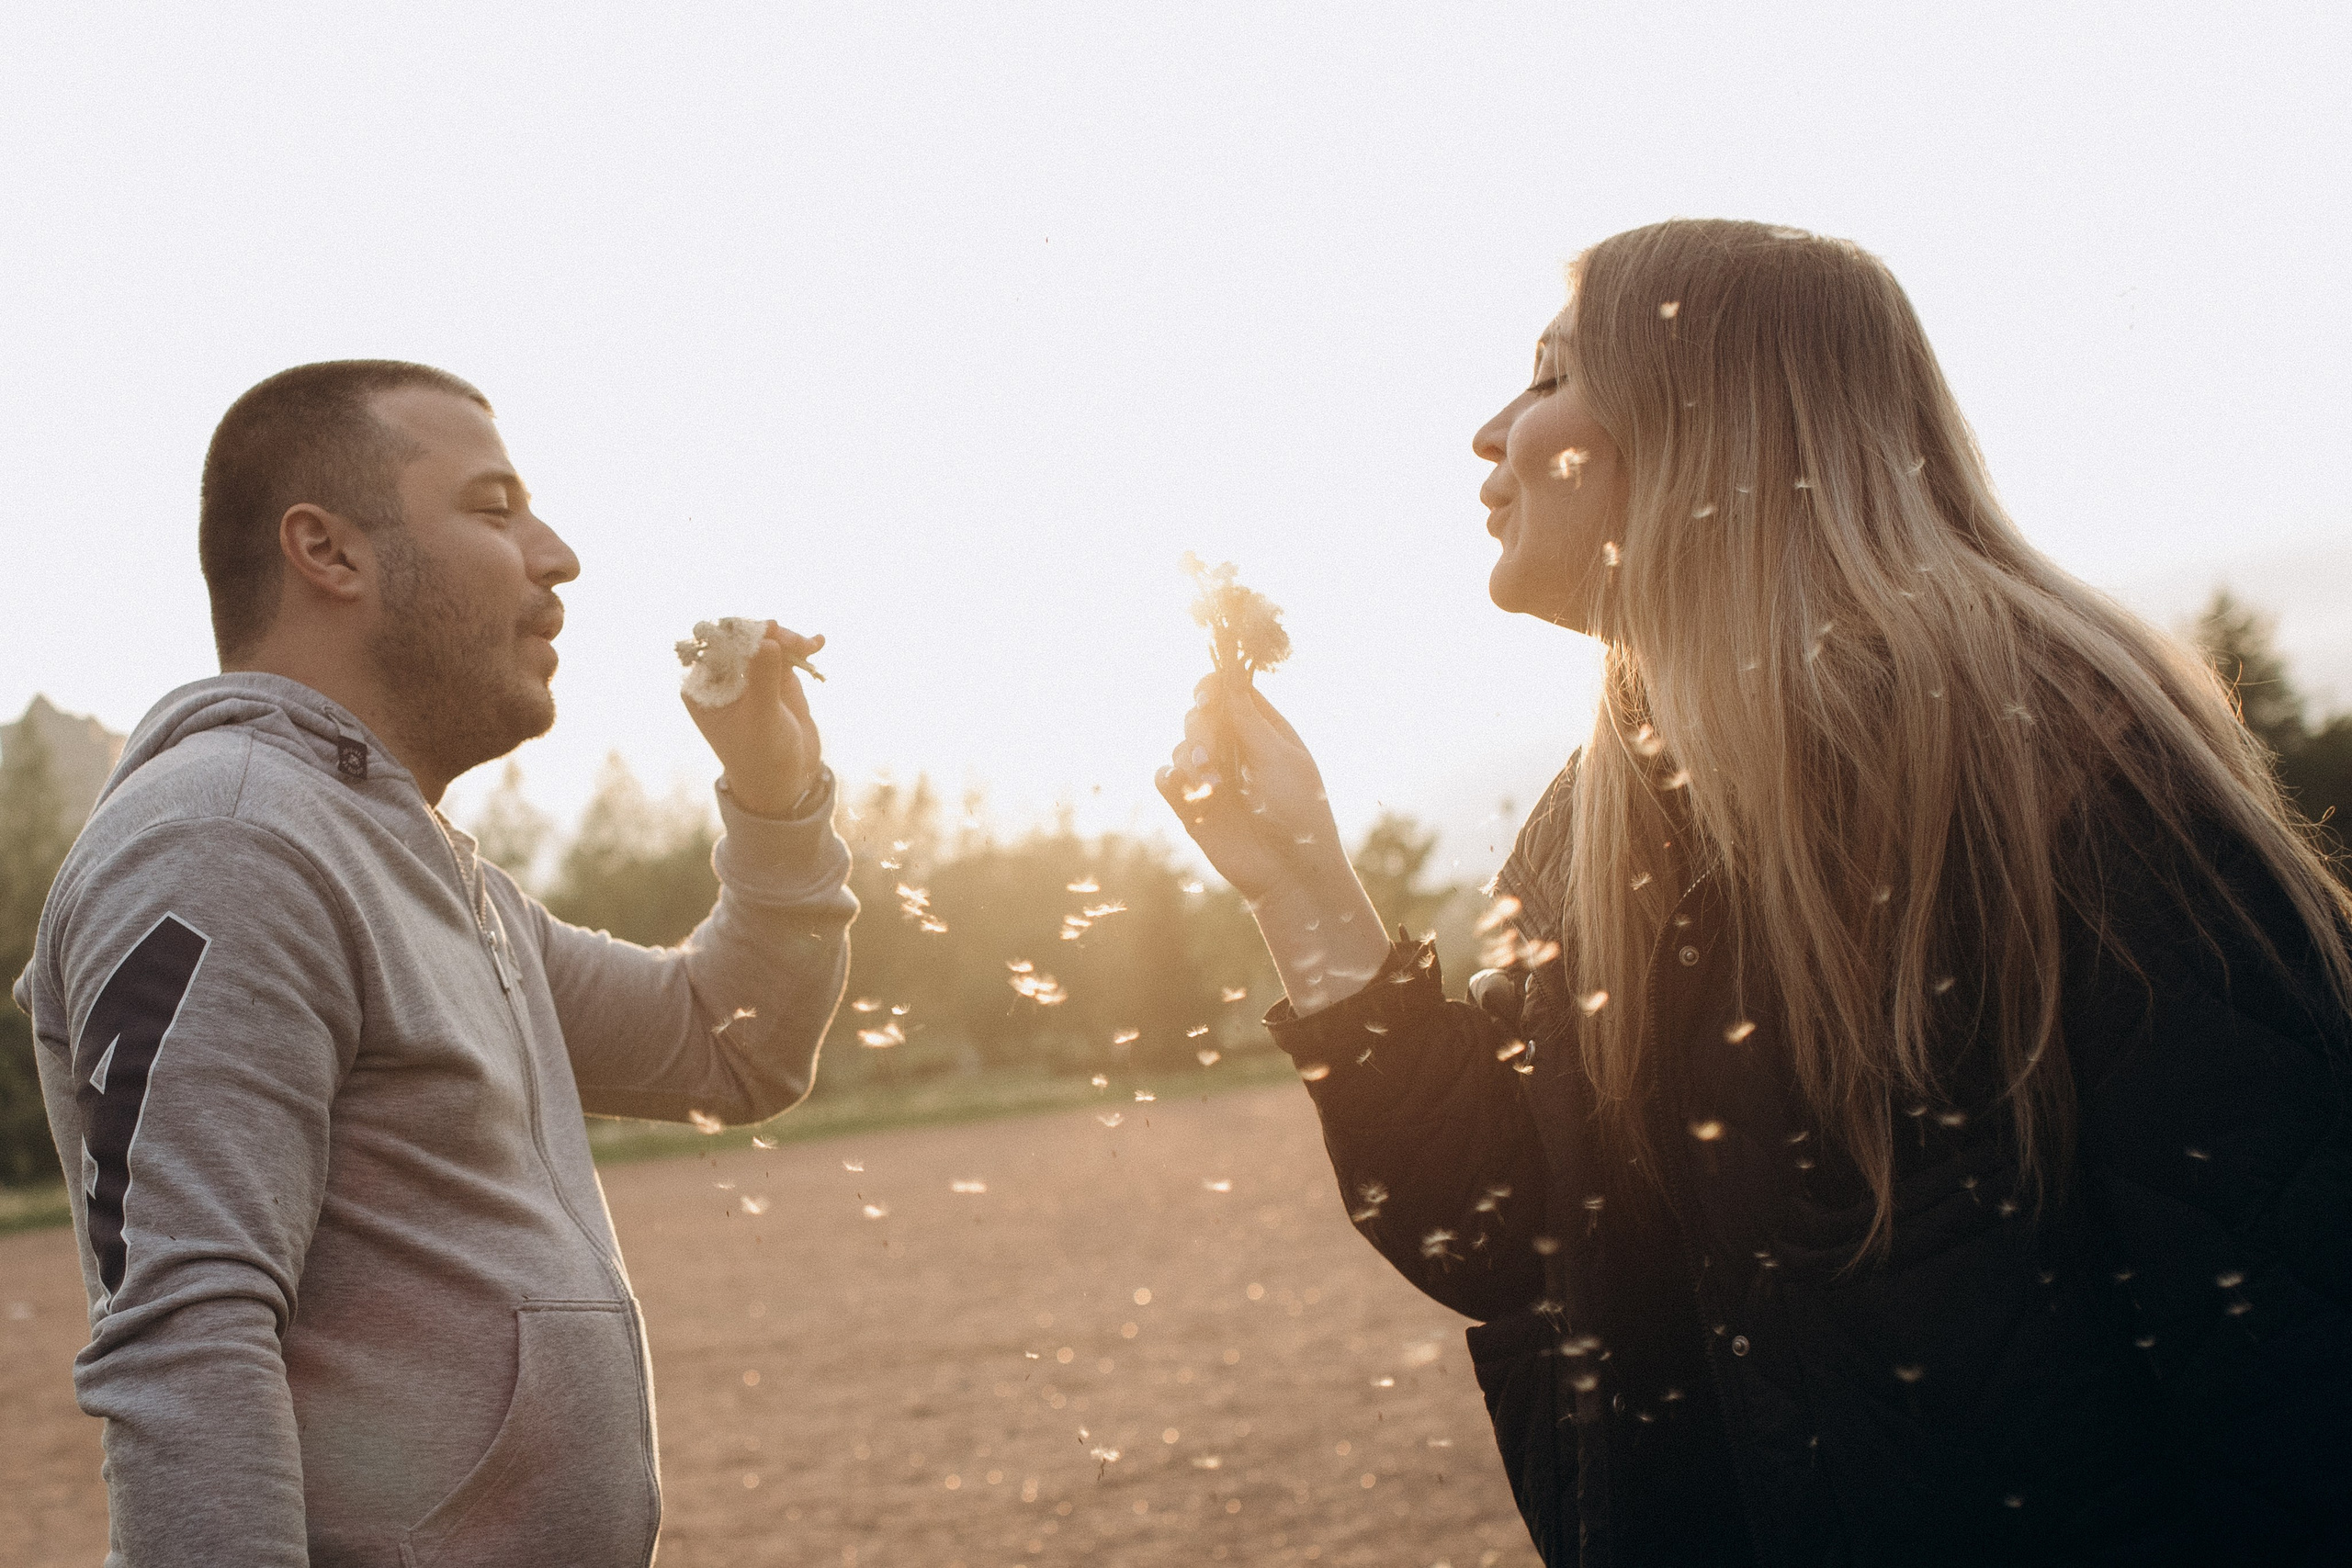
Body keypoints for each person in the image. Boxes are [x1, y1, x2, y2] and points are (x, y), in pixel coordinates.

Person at [1159, 220, 2352, 1565]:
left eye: (1551, 374)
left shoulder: (2062, 781)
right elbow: (1501, 1234)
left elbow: (2293, 1362)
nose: (1490, 434)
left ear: (1713, 419)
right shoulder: (1600, 819)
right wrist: (1302, 883)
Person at [17, 360, 857, 1566]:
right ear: (330, 552)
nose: (557, 555)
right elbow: (186, 1345)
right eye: (495, 507)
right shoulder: (226, 841)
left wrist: (777, 798)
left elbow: (730, 1045)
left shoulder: (419, 871)